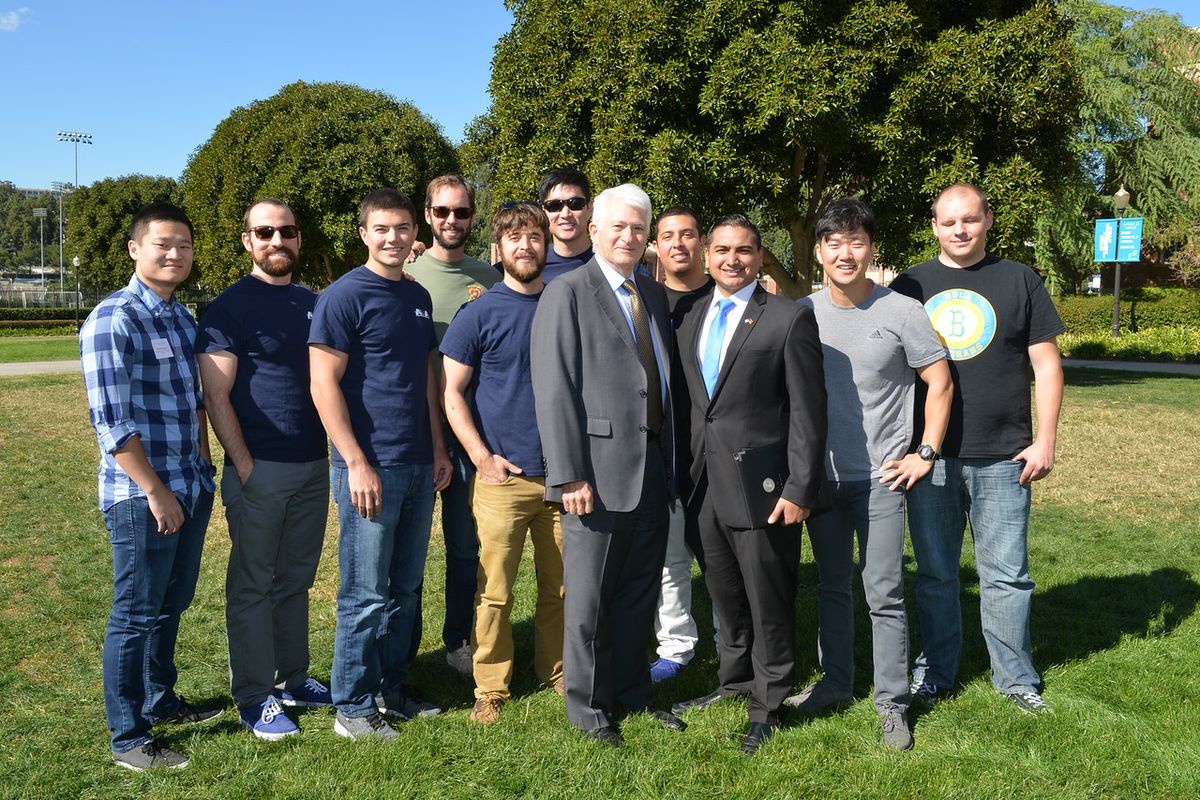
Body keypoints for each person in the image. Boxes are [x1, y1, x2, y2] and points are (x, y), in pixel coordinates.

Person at [890, 183, 1064, 714]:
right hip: (931, 456)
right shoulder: (912, 284)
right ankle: (937, 673)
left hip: (1004, 456)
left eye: (969, 219)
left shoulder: (1019, 279)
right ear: (934, 227)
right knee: (937, 574)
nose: (959, 230)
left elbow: (1046, 364)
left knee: (1007, 576)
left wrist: (1046, 440)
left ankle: (1015, 679)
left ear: (988, 219)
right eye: (948, 222)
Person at [791, 198, 952, 751]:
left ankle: (891, 703)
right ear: (819, 251)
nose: (845, 252)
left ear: (871, 248)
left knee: (882, 591)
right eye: (833, 243)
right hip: (823, 480)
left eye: (855, 241)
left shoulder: (902, 311)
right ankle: (835, 683)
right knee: (832, 586)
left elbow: (940, 381)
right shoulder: (803, 313)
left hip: (883, 479)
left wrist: (924, 452)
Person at [530, 183, 686, 745]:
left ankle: (631, 692)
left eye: (638, 228)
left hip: (651, 472)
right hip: (593, 477)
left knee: (637, 594)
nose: (628, 235)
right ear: (593, 229)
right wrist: (567, 473)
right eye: (617, 226)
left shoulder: (652, 292)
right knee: (591, 602)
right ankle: (589, 710)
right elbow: (554, 389)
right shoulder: (567, 293)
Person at [670, 214, 826, 754]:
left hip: (764, 486)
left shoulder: (788, 318)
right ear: (707, 257)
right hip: (701, 482)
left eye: (743, 251)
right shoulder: (689, 314)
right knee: (724, 590)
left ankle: (770, 701)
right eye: (721, 250)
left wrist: (799, 487)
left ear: (761, 257)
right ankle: (734, 682)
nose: (731, 260)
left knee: (768, 595)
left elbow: (809, 411)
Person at [309, 188, 453, 741]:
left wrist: (438, 449)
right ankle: (351, 704)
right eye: (383, 229)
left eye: (403, 229)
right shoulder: (344, 296)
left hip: (418, 463)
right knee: (365, 594)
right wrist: (355, 462)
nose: (394, 238)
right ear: (364, 233)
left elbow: (425, 381)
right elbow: (323, 385)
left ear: (414, 233)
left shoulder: (415, 297)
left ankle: (391, 688)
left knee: (406, 588)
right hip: (369, 466)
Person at [80, 202, 220, 771]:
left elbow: (194, 404)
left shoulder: (180, 317)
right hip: (143, 496)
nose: (174, 254)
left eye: (183, 245)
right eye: (163, 244)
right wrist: (156, 492)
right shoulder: (114, 319)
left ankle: (161, 699)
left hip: (190, 485)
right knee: (136, 612)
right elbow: (111, 424)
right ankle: (129, 737)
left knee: (171, 604)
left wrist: (202, 471)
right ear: (135, 248)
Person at [197, 199, 332, 741]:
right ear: (247, 241)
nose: (278, 240)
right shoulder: (229, 307)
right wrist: (245, 463)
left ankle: (293, 677)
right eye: (265, 232)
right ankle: (254, 696)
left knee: (295, 580)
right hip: (261, 469)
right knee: (253, 584)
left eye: (288, 231)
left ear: (299, 239)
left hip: (312, 464)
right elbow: (215, 392)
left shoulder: (313, 302)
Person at [441, 202, 564, 724]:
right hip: (503, 481)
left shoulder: (565, 306)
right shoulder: (479, 313)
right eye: (514, 237)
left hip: (563, 480)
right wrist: (481, 457)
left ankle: (557, 671)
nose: (525, 246)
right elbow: (451, 392)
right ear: (499, 249)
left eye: (534, 236)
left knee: (562, 588)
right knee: (494, 592)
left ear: (546, 243)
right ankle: (490, 686)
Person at [407, 174, 500, 676]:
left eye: (461, 212)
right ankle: (406, 647)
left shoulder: (489, 278)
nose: (451, 221)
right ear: (428, 214)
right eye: (441, 212)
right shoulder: (403, 272)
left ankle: (458, 640)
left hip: (470, 435)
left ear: (471, 216)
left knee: (467, 548)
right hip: (416, 436)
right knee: (412, 552)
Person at [647, 206, 714, 683]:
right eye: (667, 235)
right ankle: (676, 644)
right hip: (665, 447)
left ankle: (738, 642)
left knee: (719, 556)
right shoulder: (645, 299)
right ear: (656, 244)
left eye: (687, 235)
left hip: (718, 448)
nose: (678, 244)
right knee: (670, 555)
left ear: (701, 242)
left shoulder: (724, 298)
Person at [537, 168, 594, 283]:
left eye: (575, 204)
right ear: (543, 212)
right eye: (554, 205)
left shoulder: (611, 264)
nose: (565, 214)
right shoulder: (531, 266)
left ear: (590, 208)